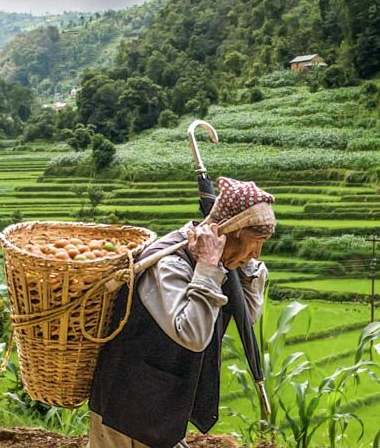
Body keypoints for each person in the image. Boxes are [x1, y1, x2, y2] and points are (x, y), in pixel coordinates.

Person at [89, 177, 276, 448]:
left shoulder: (218, 260)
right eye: (255, 242)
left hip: (158, 401)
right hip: (127, 403)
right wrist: (209, 268)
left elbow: (247, 316)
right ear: (229, 232)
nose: (257, 252)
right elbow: (193, 334)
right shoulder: (169, 264)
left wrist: (244, 267)